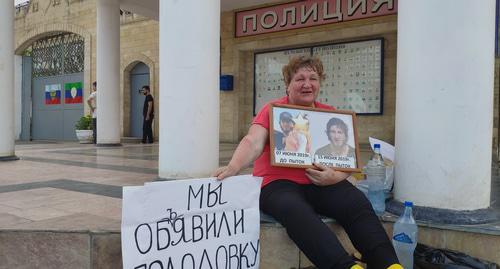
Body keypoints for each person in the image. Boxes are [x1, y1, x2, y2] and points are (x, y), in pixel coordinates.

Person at [213, 56, 401, 269]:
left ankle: (389, 265)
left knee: (356, 203)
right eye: (299, 79)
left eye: (313, 78)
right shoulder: (272, 110)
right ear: (288, 84)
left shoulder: (329, 113)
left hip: (323, 182)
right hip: (277, 184)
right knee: (294, 210)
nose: (307, 84)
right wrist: (233, 166)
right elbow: (253, 141)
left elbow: (347, 160)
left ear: (319, 83)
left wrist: (336, 177)